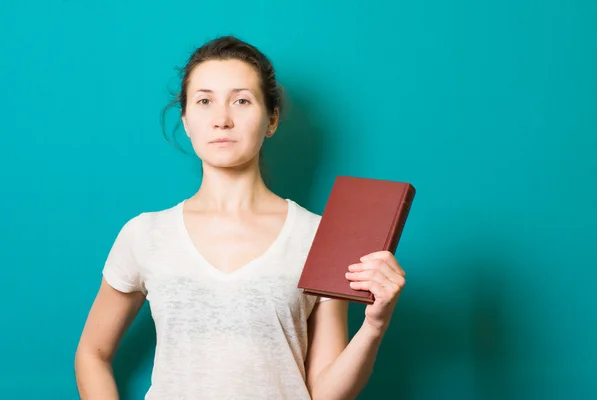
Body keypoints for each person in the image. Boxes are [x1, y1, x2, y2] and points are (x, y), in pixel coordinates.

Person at [74, 35, 406, 400]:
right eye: (204, 101)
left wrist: (375, 326)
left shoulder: (320, 236)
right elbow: (92, 353)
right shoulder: (144, 234)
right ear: (185, 119)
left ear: (272, 119)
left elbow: (326, 394)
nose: (222, 119)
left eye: (242, 101)